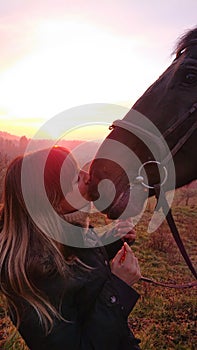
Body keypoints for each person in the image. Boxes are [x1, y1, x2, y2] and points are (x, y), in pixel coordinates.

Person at [0, 146, 141, 350]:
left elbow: (81, 270)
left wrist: (113, 241)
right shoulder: (32, 280)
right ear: (51, 202)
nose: (87, 176)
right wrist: (118, 287)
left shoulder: (65, 233)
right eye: (75, 178)